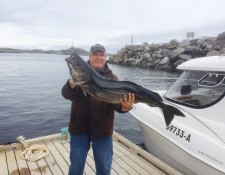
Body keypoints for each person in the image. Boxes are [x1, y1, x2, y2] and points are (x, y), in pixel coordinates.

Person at [62, 44, 135, 175]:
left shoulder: (113, 78)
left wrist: (125, 108)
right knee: (75, 168)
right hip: (79, 129)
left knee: (104, 169)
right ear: (89, 56)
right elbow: (66, 94)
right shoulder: (80, 73)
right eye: (95, 54)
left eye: (101, 55)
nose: (98, 57)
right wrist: (71, 84)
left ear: (105, 58)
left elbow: (117, 105)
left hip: (102, 131)